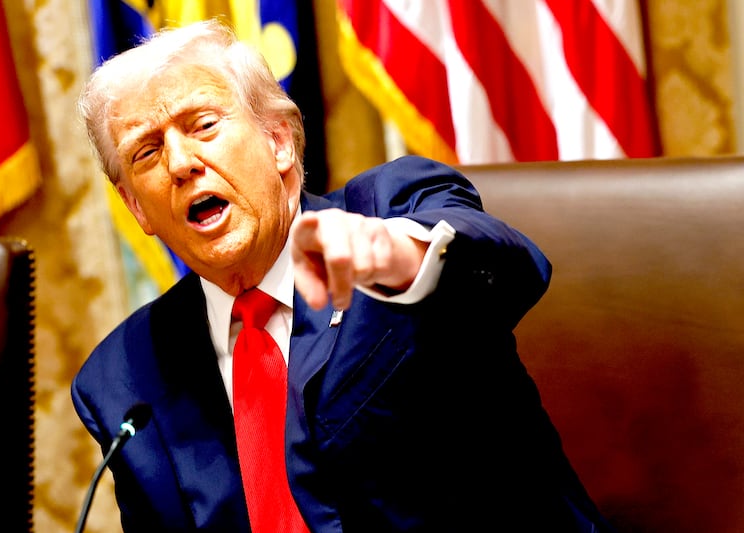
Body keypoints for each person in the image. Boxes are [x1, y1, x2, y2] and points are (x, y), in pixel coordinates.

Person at [71, 17, 615, 533]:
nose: (180, 164)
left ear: (278, 142)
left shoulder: (389, 208)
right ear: (135, 207)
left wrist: (401, 258)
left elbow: (507, 270)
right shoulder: (123, 377)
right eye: (147, 152)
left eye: (204, 125)